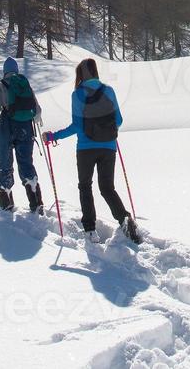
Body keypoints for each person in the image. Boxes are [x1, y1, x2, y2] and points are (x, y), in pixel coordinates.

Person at [43, 58, 142, 244]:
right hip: (108, 146)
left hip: (86, 148)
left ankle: (90, 230)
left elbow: (77, 126)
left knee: (85, 186)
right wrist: (105, 129)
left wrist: (54, 136)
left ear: (80, 74)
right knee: (107, 187)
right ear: (95, 71)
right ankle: (125, 219)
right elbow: (119, 120)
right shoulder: (109, 91)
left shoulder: (78, 94)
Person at [0, 56, 44, 214]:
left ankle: (6, 201)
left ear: (4, 71)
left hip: (6, 128)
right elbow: (37, 110)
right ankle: (35, 201)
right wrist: (35, 120)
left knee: (5, 164)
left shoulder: (1, 85)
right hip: (26, 129)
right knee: (26, 163)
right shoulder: (24, 84)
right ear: (17, 70)